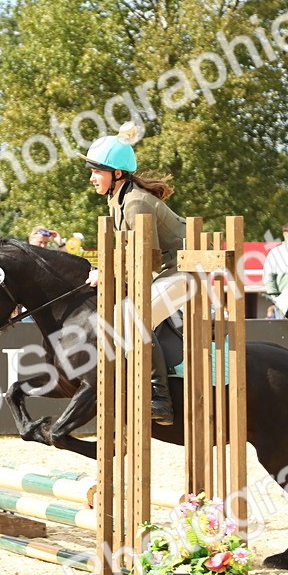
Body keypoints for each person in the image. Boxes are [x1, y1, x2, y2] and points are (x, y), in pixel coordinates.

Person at [81, 123, 183, 425]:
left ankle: (160, 397)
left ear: (118, 174)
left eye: (97, 171)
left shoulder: (136, 201)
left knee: (132, 317)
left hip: (188, 270)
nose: (91, 178)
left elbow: (146, 259)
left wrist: (107, 273)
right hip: (168, 270)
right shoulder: (118, 199)